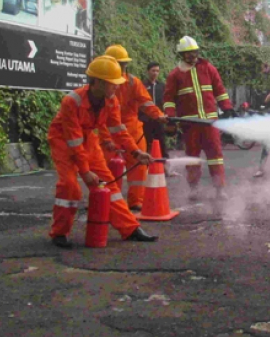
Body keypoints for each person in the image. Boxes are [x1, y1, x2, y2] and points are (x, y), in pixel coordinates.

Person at [47, 55, 158, 248]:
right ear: (97, 82)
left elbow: (118, 130)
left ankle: (130, 229)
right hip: (63, 141)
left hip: (87, 138)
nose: (117, 86)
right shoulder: (71, 101)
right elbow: (73, 140)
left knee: (108, 187)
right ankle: (59, 233)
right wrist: (85, 171)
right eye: (113, 83)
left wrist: (135, 152)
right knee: (69, 186)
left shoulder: (111, 101)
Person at [162, 36, 235, 199]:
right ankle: (194, 189)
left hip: (210, 123)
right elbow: (168, 99)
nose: (192, 56)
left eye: (194, 52)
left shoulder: (209, 69)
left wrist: (227, 108)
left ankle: (219, 189)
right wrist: (171, 118)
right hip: (190, 125)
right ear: (182, 55)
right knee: (192, 158)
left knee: (215, 156)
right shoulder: (175, 75)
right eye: (188, 53)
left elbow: (220, 91)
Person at [102, 45, 168, 211]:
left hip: (132, 131)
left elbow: (146, 103)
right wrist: (105, 137)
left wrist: (158, 115)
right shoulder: (101, 84)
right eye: (119, 63)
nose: (121, 67)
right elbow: (98, 116)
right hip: (110, 131)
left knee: (138, 167)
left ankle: (135, 201)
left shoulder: (132, 82)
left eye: (122, 64)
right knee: (107, 168)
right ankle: (108, 200)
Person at [141, 61, 178, 177]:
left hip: (159, 120)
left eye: (157, 71)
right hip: (145, 121)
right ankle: (145, 170)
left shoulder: (162, 86)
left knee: (162, 144)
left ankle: (166, 170)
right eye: (153, 70)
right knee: (146, 145)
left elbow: (166, 102)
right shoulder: (142, 86)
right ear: (148, 71)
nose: (155, 73)